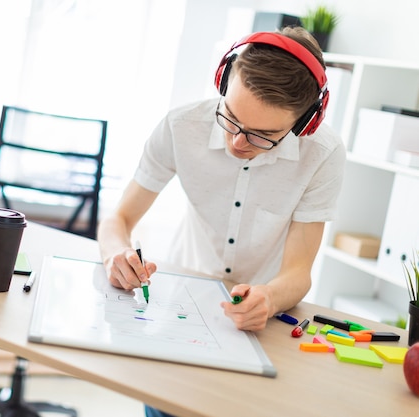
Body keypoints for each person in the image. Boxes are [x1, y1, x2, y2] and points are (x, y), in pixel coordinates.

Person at [97, 26, 345, 417]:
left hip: (260, 322)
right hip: (177, 306)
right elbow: (120, 217)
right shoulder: (181, 126)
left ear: (305, 123)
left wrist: (270, 296)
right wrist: (115, 254)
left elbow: (299, 272)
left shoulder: (323, 155)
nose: (237, 143)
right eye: (230, 117)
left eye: (264, 135)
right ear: (223, 79)